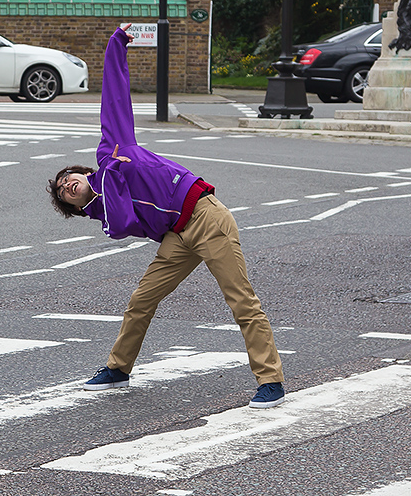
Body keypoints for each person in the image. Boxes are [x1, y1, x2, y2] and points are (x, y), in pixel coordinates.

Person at [48, 26, 286, 409]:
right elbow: (122, 219)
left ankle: (271, 380)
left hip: (206, 217)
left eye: (66, 178)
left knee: (241, 301)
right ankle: (118, 369)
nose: (65, 186)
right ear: (75, 208)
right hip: (177, 236)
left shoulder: (113, 154)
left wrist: (117, 46)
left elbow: (114, 99)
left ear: (81, 172)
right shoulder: (107, 215)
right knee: (141, 299)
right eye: (62, 193)